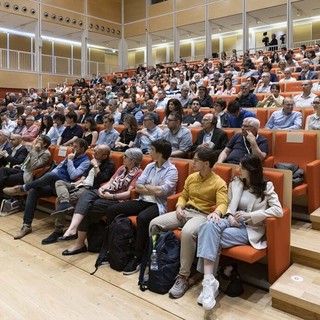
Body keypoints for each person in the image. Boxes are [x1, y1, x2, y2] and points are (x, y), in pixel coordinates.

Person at [196, 155, 283, 310]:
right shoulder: (236, 182)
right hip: (232, 222)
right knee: (208, 226)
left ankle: (209, 284)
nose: (238, 170)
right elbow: (229, 205)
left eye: (242, 167)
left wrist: (251, 215)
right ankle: (209, 281)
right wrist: (229, 216)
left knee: (207, 234)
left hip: (249, 227)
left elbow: (278, 210)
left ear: (252, 169)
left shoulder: (266, 186)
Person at [87, 139, 178, 273]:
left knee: (142, 218)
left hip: (159, 204)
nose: (149, 152)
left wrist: (148, 188)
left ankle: (138, 257)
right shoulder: (149, 166)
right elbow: (139, 187)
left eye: (152, 149)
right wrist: (152, 188)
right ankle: (110, 247)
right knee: (112, 210)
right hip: (142, 200)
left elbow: (162, 192)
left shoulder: (172, 170)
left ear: (159, 152)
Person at [149, 147, 228, 299]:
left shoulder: (219, 182)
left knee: (187, 232)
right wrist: (179, 206)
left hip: (202, 215)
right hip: (185, 212)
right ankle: (155, 262)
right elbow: (183, 196)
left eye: (196, 160)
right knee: (154, 224)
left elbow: (223, 204)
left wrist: (217, 213)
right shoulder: (192, 177)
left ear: (206, 163)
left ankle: (183, 277)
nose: (193, 162)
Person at [59, 148, 144, 255]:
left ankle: (79, 243)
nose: (123, 157)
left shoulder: (139, 173)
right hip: (109, 192)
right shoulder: (122, 168)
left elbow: (129, 193)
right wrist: (102, 188)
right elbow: (110, 182)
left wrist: (112, 196)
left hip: (119, 199)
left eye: (126, 156)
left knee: (89, 206)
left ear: (133, 160)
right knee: (86, 194)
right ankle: (73, 227)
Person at [4, 138, 91, 239]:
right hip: (53, 184)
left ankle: (23, 188)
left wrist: (70, 161)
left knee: (51, 176)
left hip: (64, 187)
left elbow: (73, 175)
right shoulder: (70, 156)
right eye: (72, 146)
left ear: (82, 148)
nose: (72, 148)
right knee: (33, 191)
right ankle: (26, 225)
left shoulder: (85, 161)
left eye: (75, 147)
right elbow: (58, 169)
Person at [41, 145, 115, 245]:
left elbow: (102, 179)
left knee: (59, 200)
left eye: (97, 152)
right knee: (59, 182)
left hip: (89, 189)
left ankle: (58, 231)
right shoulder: (93, 160)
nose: (94, 153)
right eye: (94, 150)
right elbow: (85, 173)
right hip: (80, 184)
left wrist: (96, 166)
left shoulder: (109, 164)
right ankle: (65, 203)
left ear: (105, 156)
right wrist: (81, 179)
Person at [0, 135, 51, 205]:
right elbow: (26, 162)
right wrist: (20, 165)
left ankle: (7, 197)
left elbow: (34, 166)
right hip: (21, 169)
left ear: (45, 144)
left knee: (6, 178)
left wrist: (35, 150)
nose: (36, 141)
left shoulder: (46, 154)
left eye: (39, 140)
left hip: (27, 173)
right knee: (2, 170)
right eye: (37, 139)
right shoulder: (35, 149)